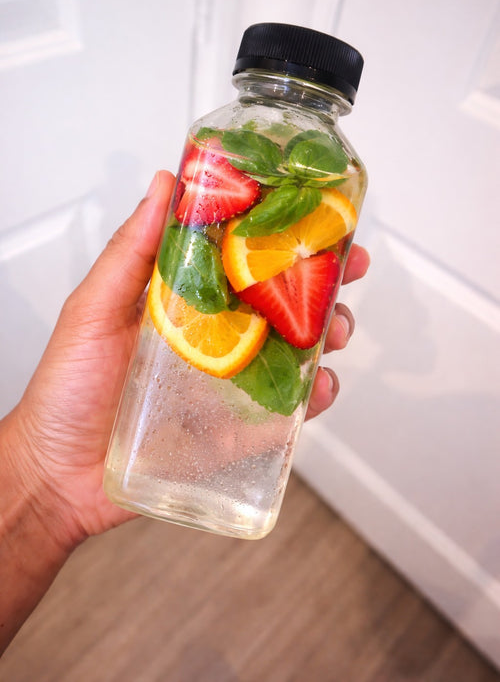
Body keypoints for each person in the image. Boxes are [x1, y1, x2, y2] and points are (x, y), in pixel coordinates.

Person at [0, 170, 370, 653]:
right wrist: (41, 477)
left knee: (308, 341)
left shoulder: (341, 170)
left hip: (224, 470)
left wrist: (42, 488)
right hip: (132, 447)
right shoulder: (244, 154)